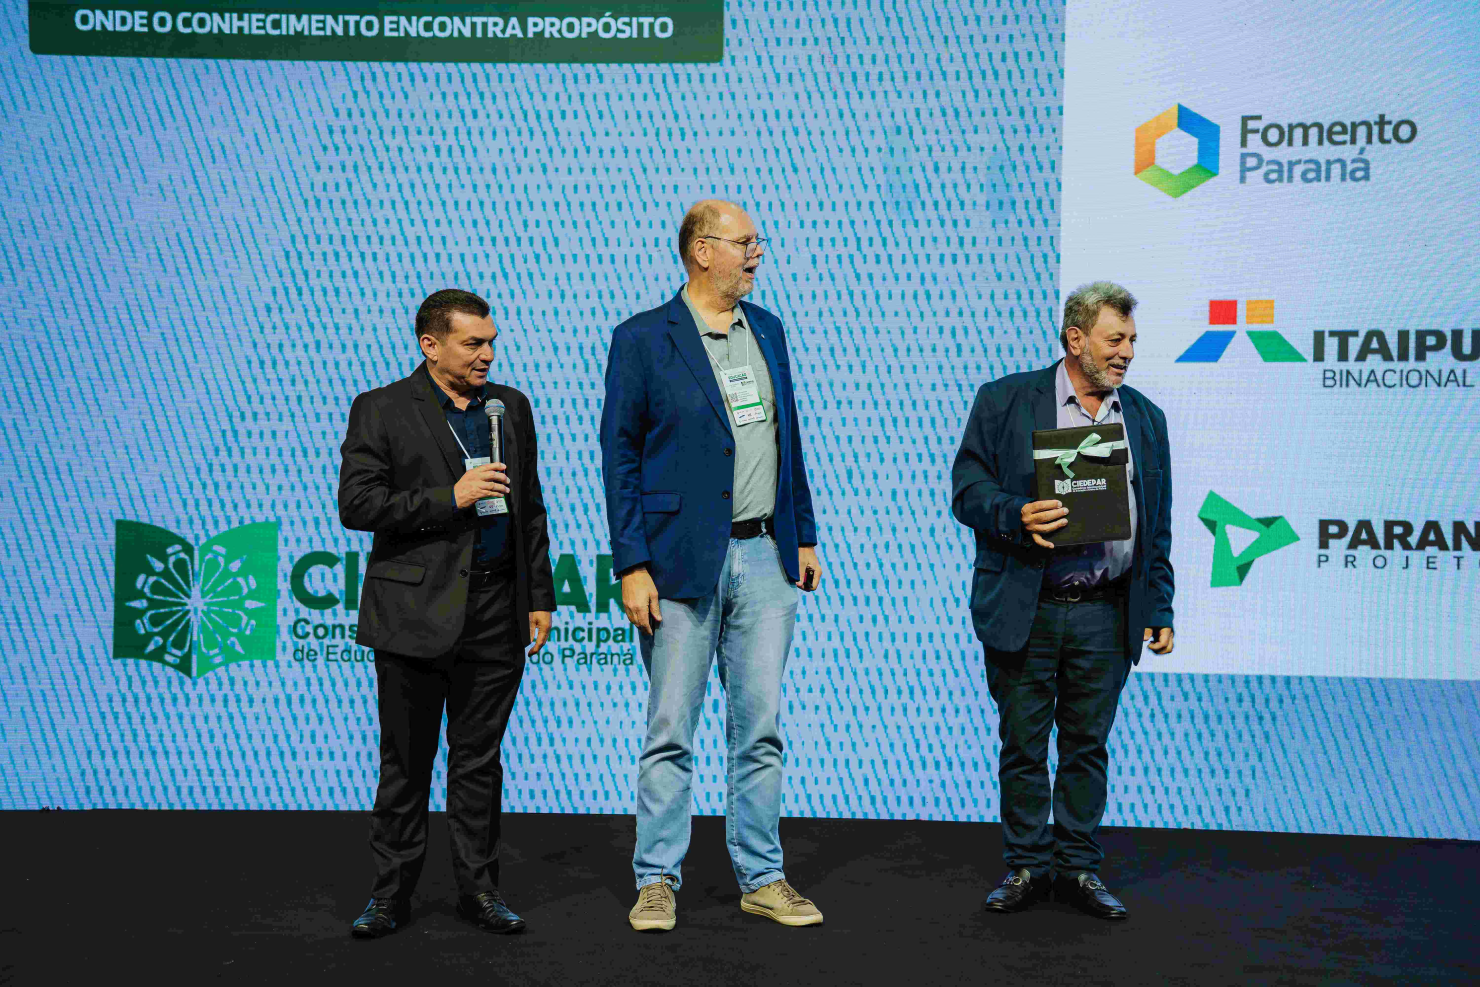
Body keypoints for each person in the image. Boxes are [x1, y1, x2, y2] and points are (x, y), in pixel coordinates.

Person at [600, 200, 825, 932]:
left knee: (760, 728)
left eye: (757, 241)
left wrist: (803, 533)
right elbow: (619, 457)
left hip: (765, 554)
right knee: (671, 728)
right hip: (675, 560)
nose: (757, 254)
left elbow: (788, 439)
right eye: (745, 242)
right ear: (702, 251)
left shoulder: (770, 330)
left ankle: (762, 876)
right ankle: (656, 879)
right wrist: (632, 563)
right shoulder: (642, 338)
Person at [950, 281, 1174, 921]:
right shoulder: (1004, 401)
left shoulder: (1146, 419)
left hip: (1108, 610)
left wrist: (1159, 606)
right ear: (1076, 340)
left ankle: (1078, 866)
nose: (1127, 352)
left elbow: (1156, 524)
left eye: (1132, 340)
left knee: (1087, 746)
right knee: (1023, 744)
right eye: (1115, 339)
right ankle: (1025, 864)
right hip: (1029, 605)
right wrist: (1016, 513)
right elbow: (966, 490)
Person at [338, 288, 556, 938]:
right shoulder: (380, 407)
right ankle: (389, 895)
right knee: (406, 762)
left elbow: (531, 507)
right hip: (413, 611)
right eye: (473, 343)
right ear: (430, 345)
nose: (487, 354)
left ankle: (480, 891)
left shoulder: (510, 407)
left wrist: (539, 596)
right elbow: (357, 504)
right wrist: (450, 496)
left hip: (496, 610)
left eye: (491, 342)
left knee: (479, 762)